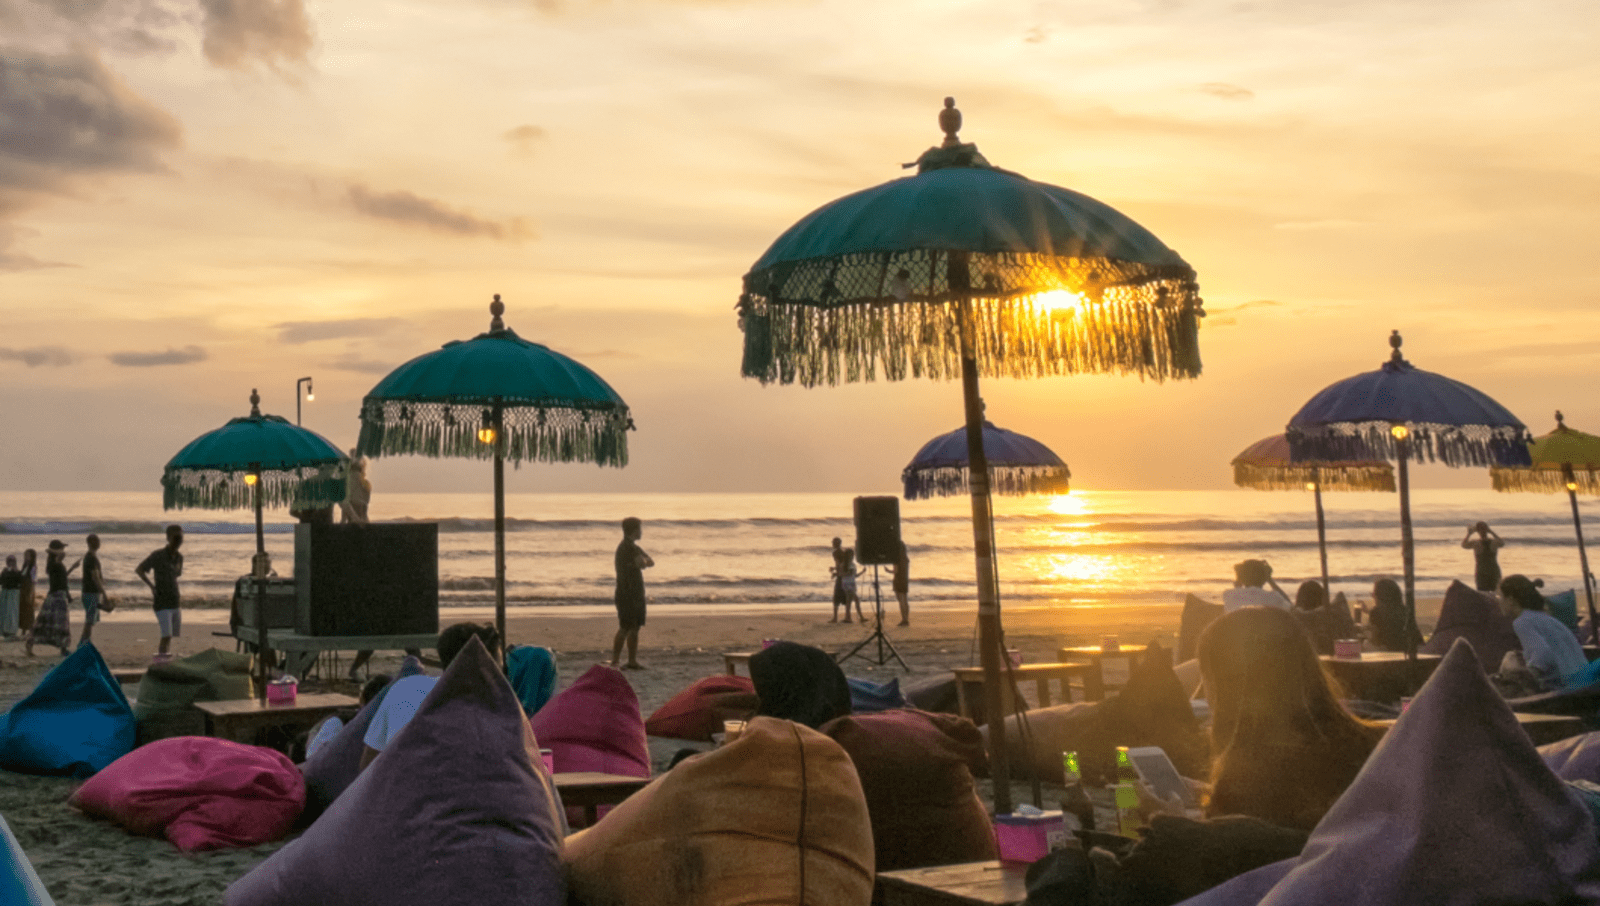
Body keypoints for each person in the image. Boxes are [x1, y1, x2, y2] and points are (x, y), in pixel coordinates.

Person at [1193, 606, 1384, 831]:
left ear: (1226, 685)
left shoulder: (1248, 780)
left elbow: (1242, 853)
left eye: (1205, 676)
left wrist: (1177, 822)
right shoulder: (1373, 747)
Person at [359, 622, 501, 770]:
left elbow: (368, 762)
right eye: (499, 669)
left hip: (396, 788)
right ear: (485, 667)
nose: (502, 678)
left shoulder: (406, 687)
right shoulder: (492, 710)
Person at [1499, 574, 1587, 690]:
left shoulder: (1521, 622)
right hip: (1584, 682)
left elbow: (1543, 655)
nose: (1499, 601)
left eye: (1500, 597)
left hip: (1566, 688)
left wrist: (1526, 677)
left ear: (1510, 600)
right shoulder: (1545, 618)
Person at [610, 517, 653, 669]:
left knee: (635, 627)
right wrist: (641, 562)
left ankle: (632, 660)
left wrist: (642, 562)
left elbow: (650, 561)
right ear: (634, 530)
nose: (641, 532)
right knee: (625, 626)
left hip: (636, 591)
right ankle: (615, 660)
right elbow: (642, 563)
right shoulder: (626, 547)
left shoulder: (634, 547)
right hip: (626, 591)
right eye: (639, 529)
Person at [136, 525, 184, 656]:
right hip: (161, 601)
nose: (178, 541)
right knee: (166, 635)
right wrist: (151, 586)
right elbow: (139, 569)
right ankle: (161, 662)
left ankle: (165, 660)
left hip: (175, 600)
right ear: (168, 538)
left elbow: (176, 575)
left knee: (170, 636)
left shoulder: (180, 557)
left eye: (180, 538)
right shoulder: (158, 555)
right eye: (176, 538)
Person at [26, 540, 74, 657]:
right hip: (56, 595)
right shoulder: (54, 563)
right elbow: (59, 574)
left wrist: (72, 568)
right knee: (56, 622)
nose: (63, 551)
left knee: (52, 622)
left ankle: (62, 649)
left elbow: (62, 579)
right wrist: (59, 556)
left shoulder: (55, 563)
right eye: (61, 548)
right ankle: (31, 644)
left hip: (58, 594)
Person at [1289, 581, 1355, 656]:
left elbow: (1289, 604)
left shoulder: (1299, 620)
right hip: (1339, 660)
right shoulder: (1332, 617)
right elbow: (1340, 597)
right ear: (1322, 598)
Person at [1367, 578, 1422, 652]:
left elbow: (1375, 640)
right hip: (1410, 653)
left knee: (1365, 644)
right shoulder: (1405, 611)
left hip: (1389, 655)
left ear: (1380, 596)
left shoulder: (1376, 613)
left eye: (1374, 594)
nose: (1373, 596)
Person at [1221, 559, 1290, 612]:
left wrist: (1239, 579)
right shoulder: (1274, 597)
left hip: (1238, 630)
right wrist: (1270, 581)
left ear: (1241, 578)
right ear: (1264, 579)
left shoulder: (1229, 595)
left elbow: (1237, 592)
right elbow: (1291, 607)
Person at [78, 533, 106, 649]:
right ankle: (82, 645)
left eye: (98, 540)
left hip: (89, 592)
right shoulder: (91, 558)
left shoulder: (89, 557)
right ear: (90, 543)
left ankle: (86, 643)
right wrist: (104, 593)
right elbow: (95, 577)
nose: (99, 543)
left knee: (90, 620)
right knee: (89, 621)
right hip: (91, 592)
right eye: (96, 541)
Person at [1462, 522, 1505, 592]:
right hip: (1483, 572)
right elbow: (1464, 545)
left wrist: (1469, 534)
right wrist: (1491, 532)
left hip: (1491, 572)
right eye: (1481, 529)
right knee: (1487, 593)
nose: (1483, 531)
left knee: (1493, 593)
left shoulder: (1491, 542)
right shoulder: (1477, 543)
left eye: (1484, 528)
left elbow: (1502, 543)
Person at [829, 538, 865, 623]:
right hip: (848, 581)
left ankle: (837, 618)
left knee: (837, 597)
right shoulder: (843, 553)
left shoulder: (835, 553)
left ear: (835, 543)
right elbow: (847, 568)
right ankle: (857, 617)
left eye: (833, 542)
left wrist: (836, 573)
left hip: (842, 579)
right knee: (850, 599)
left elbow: (839, 565)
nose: (832, 544)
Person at [889, 540, 910, 626]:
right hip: (905, 579)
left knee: (900, 600)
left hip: (898, 580)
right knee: (904, 599)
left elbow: (896, 571)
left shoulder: (896, 559)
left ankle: (903, 619)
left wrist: (888, 571)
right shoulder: (906, 559)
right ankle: (906, 618)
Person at [0, 555, 21, 638]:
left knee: (12, 611)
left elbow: (19, 582)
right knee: (4, 611)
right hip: (5, 592)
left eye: (12, 561)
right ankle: (4, 630)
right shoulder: (5, 571)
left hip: (13, 592)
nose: (10, 563)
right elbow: (1, 581)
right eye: (9, 561)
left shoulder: (17, 571)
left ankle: (11, 630)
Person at [18, 548, 36, 634]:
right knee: (23, 609)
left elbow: (33, 581)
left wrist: (31, 592)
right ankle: (24, 630)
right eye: (25, 555)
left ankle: (31, 630)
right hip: (23, 589)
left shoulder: (33, 567)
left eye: (27, 555)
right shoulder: (25, 566)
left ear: (32, 557)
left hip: (29, 589)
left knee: (29, 610)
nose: (25, 557)